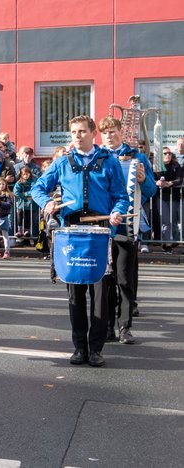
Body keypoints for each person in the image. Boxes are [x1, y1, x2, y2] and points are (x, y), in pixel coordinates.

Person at [32, 115, 128, 367]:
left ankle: (96, 348)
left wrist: (117, 211)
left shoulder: (109, 162)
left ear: (93, 133)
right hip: (70, 233)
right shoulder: (62, 162)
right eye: (73, 131)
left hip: (98, 233)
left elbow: (120, 196)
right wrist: (48, 202)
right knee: (75, 295)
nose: (77, 135)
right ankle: (79, 347)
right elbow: (37, 188)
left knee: (99, 295)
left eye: (82, 131)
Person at [98, 116, 156, 344]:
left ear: (120, 132)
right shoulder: (98, 157)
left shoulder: (138, 157)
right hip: (103, 225)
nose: (109, 136)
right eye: (105, 132)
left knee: (124, 278)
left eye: (112, 131)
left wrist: (143, 180)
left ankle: (125, 326)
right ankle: (109, 327)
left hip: (127, 225)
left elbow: (151, 191)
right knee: (105, 280)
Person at [156, 148, 182, 251]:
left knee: (174, 221)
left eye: (169, 153)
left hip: (175, 197)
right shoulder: (157, 165)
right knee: (165, 221)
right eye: (165, 153)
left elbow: (179, 179)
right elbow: (151, 178)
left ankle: (175, 241)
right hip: (161, 197)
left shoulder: (176, 165)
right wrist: (157, 182)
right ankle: (167, 244)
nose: (168, 155)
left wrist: (171, 183)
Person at [14, 166, 38, 239]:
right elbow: (16, 191)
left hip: (30, 203)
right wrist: (24, 197)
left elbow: (34, 190)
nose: (25, 176)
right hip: (21, 202)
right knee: (19, 215)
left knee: (28, 216)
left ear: (30, 174)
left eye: (27, 174)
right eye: (24, 174)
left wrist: (26, 193)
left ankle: (27, 230)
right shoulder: (19, 182)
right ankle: (19, 230)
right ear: (21, 175)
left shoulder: (33, 181)